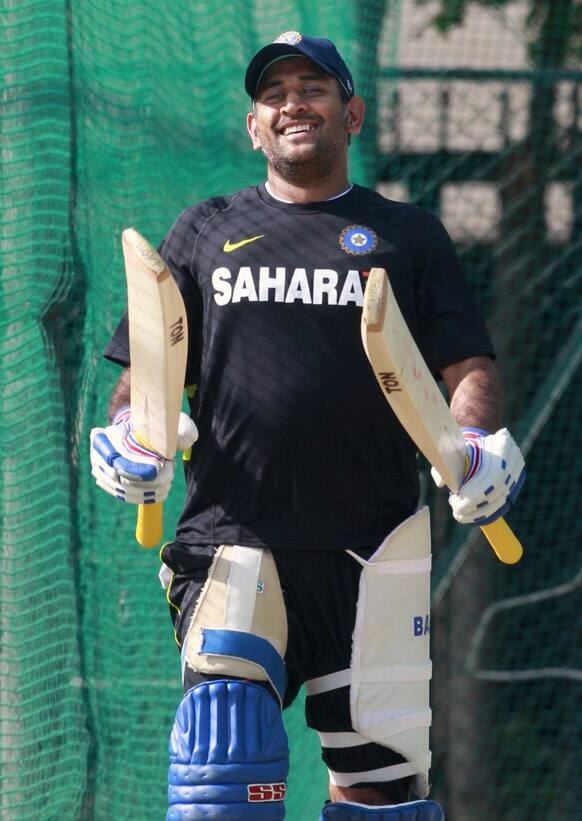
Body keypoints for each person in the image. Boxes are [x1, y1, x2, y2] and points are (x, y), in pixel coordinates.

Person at [90, 32, 525, 821]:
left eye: (313, 88)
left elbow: (468, 370)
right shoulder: (205, 229)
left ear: (351, 113)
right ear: (255, 126)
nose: (294, 103)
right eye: (275, 93)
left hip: (375, 550)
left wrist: (477, 445)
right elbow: (146, 375)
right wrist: (131, 433)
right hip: (235, 539)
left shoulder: (410, 236)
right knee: (226, 764)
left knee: (381, 797)